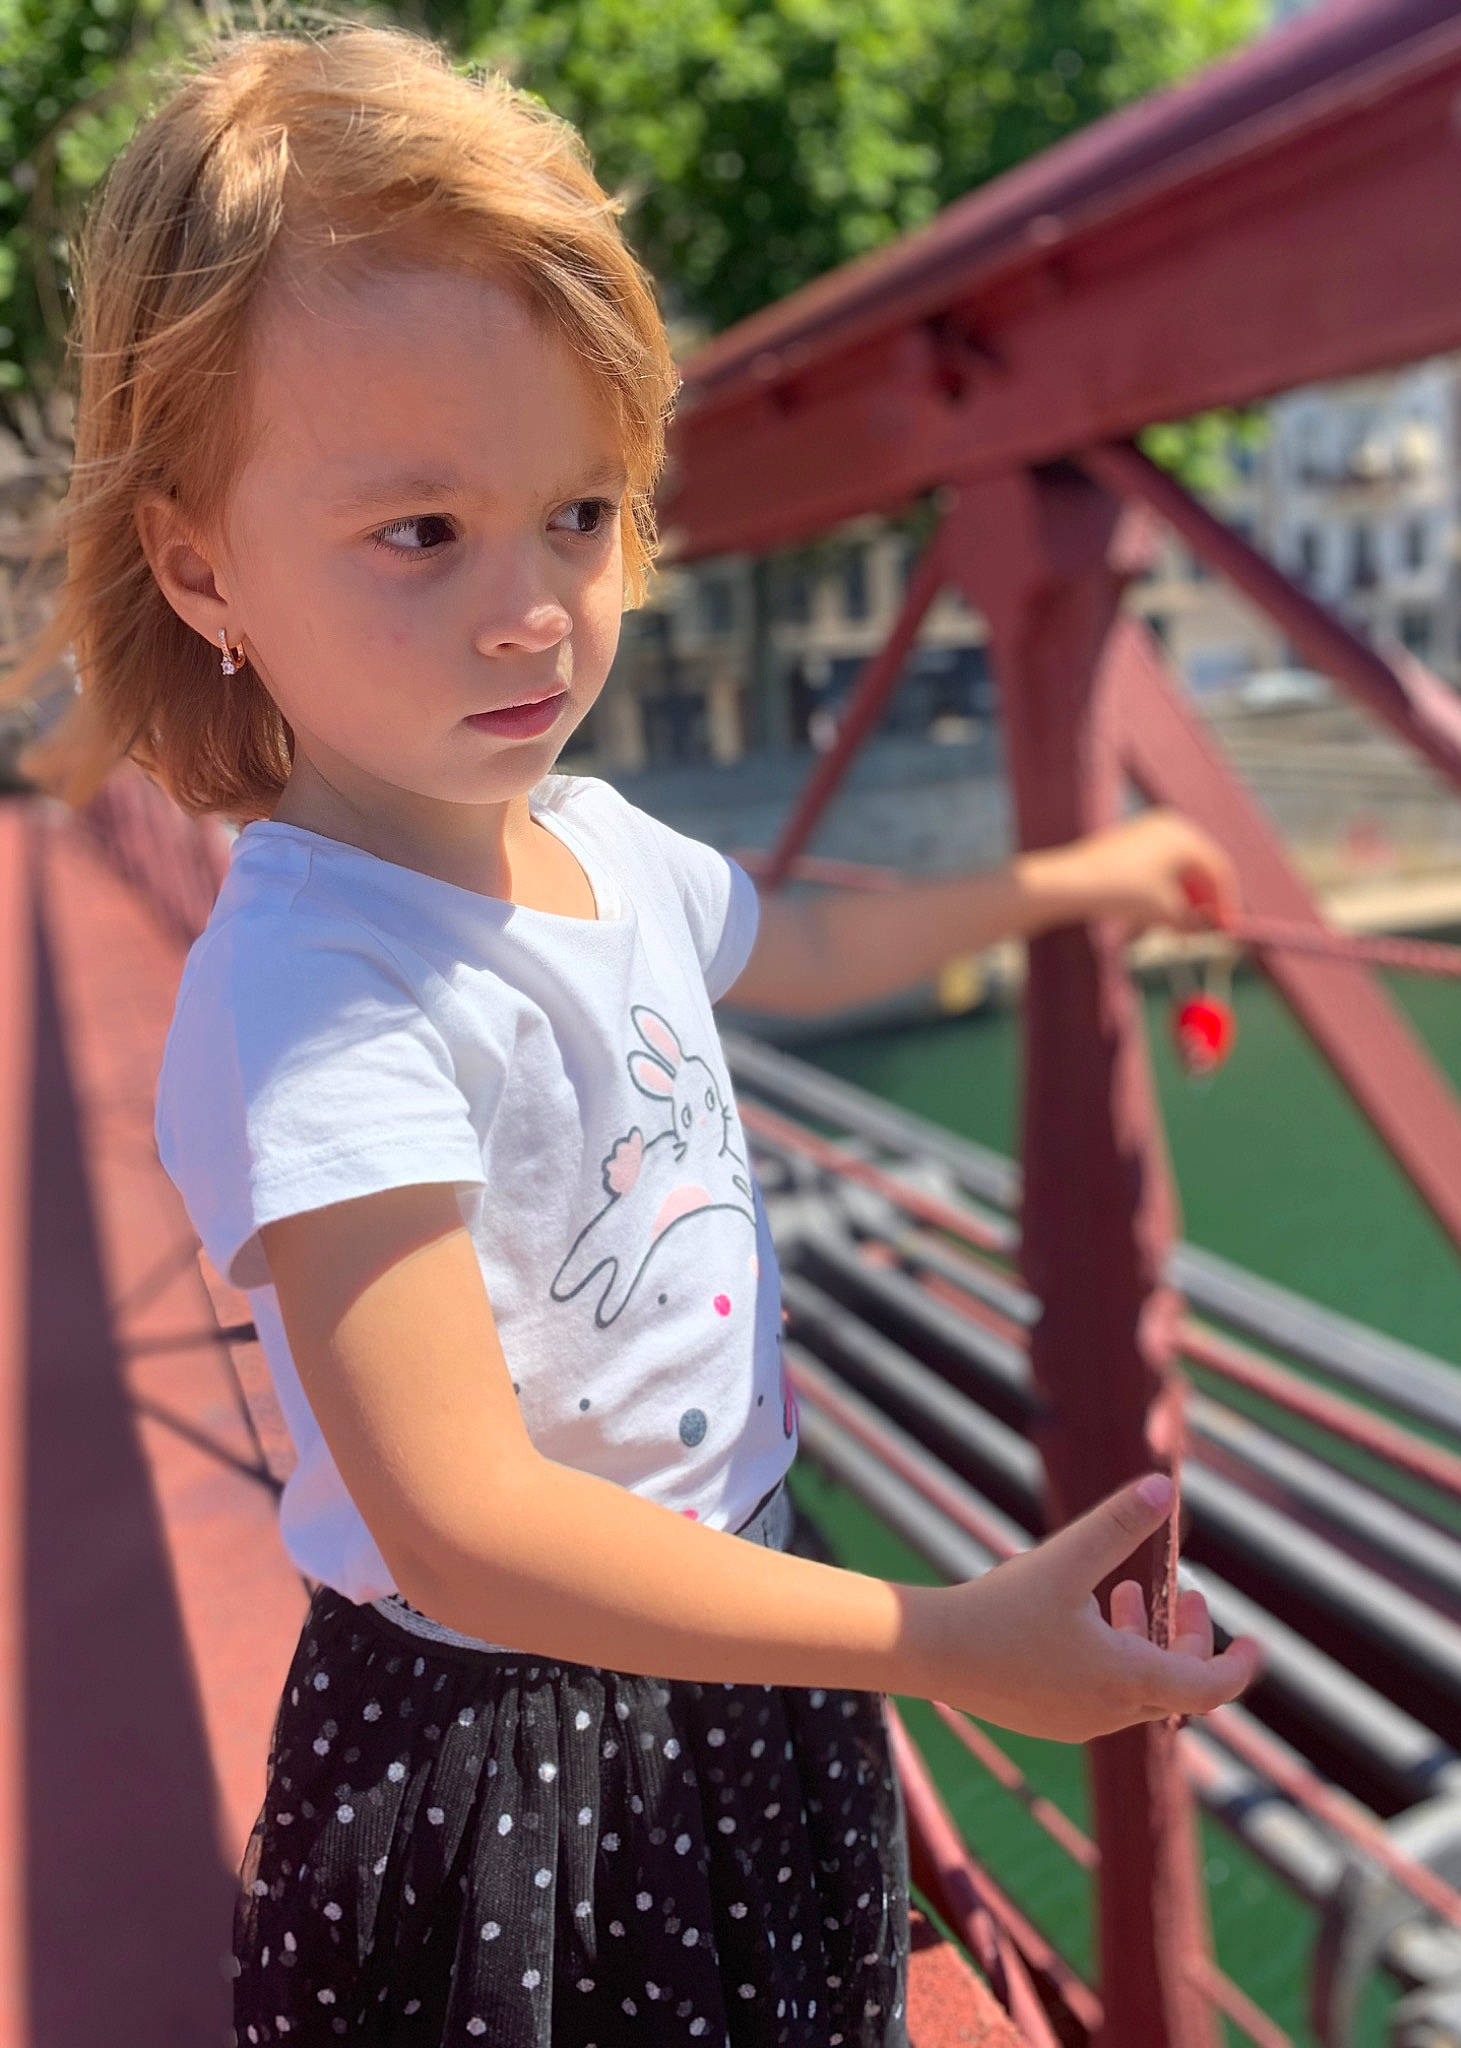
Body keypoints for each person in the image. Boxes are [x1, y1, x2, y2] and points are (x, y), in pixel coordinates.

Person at [8, 25, 1261, 2045]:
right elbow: (463, 1521)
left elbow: (809, 940)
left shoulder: (593, 840)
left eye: (579, 513)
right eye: (422, 533)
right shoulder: (318, 986)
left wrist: (1072, 876)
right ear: (198, 564)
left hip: (737, 1649)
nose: (532, 611)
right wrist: (936, 1640)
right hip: (526, 1759)